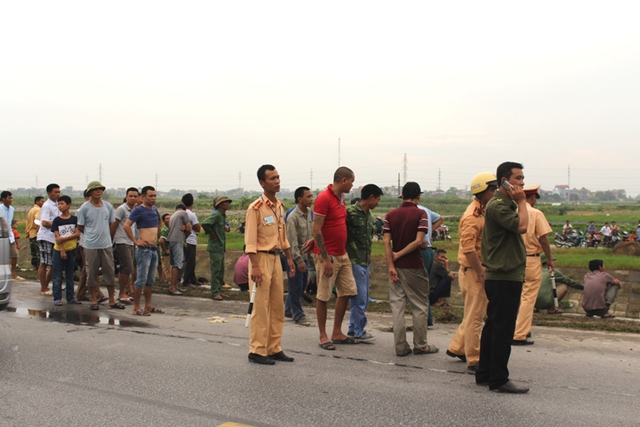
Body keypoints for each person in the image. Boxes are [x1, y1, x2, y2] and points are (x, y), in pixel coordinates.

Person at [475, 161, 529, 394]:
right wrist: (523, 201)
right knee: (503, 329)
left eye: (522, 178)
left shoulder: (500, 204)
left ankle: (485, 373)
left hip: (502, 275)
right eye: (517, 178)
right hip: (505, 276)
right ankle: (498, 378)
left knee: (493, 325)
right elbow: (523, 227)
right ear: (504, 181)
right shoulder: (499, 206)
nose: (522, 183)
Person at [244, 164, 296, 365]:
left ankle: (274, 347)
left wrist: (289, 258)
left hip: (276, 258)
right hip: (261, 259)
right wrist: (255, 266)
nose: (277, 181)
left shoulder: (279, 206)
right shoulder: (255, 208)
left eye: (278, 177)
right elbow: (250, 241)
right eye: (272, 178)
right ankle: (257, 350)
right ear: (262, 183)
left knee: (276, 306)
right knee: (260, 306)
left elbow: (283, 237)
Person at [447, 172, 497, 372]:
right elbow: (468, 249)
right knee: (476, 317)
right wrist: (482, 272)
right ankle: (474, 358)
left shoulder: (482, 211)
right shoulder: (472, 217)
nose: (494, 193)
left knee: (473, 313)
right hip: (474, 270)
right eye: (492, 190)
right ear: (482, 191)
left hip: (476, 269)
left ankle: (458, 347)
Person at [383, 181, 437, 357]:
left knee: (397, 306)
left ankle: (400, 347)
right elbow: (419, 241)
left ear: (402, 196)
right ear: (418, 196)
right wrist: (399, 255)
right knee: (419, 306)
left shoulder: (390, 215)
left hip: (395, 268)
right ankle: (421, 345)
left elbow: (386, 242)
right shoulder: (420, 214)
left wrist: (391, 264)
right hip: (414, 266)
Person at [311, 167, 360, 351]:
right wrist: (325, 259)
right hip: (328, 255)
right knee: (323, 295)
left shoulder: (341, 200)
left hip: (342, 253)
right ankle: (323, 335)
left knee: (346, 291)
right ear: (344, 180)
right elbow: (316, 228)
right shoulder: (323, 198)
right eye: (352, 181)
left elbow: (328, 226)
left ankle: (337, 332)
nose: (353, 185)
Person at [512, 184, 554, 346]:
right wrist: (549, 258)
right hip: (531, 259)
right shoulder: (536, 213)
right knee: (528, 298)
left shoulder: (513, 212)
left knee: (515, 296)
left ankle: (514, 328)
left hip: (515, 259)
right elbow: (543, 238)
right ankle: (520, 333)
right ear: (532, 197)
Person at [77, 181, 123, 311]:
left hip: (106, 244)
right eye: (96, 189)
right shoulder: (84, 208)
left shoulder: (108, 206)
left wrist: (107, 237)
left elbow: (111, 224)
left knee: (109, 271)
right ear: (90, 192)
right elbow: (80, 227)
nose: (99, 192)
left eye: (100, 189)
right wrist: (91, 236)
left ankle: (112, 300)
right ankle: (93, 299)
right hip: (90, 245)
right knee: (91, 272)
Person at [346, 184, 383, 341]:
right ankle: (359, 331)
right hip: (354, 260)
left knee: (363, 297)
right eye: (378, 199)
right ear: (371, 197)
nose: (378, 203)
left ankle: (353, 328)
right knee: (359, 298)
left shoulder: (370, 216)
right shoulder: (351, 213)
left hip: (365, 261)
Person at [124, 186, 163, 316]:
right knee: (141, 279)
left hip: (153, 248)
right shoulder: (138, 210)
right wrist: (136, 241)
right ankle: (136, 307)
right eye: (150, 196)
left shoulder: (155, 210)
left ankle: (148, 305)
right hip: (144, 250)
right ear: (143, 197)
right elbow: (126, 226)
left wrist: (158, 234)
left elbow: (159, 221)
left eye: (154, 196)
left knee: (150, 280)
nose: (153, 198)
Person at [285, 186, 314, 326]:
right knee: (296, 286)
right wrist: (298, 260)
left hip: (306, 256)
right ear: (300, 199)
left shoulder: (309, 213)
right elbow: (292, 242)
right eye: (308, 197)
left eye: (311, 196)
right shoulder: (292, 217)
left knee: (300, 285)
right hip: (295, 258)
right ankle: (298, 315)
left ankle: (288, 310)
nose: (311, 199)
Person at [50, 195, 81, 305]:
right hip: (59, 251)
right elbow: (57, 238)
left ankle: (70, 297)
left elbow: (77, 233)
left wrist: (65, 238)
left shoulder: (74, 219)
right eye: (58, 204)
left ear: (68, 205)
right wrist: (62, 249)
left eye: (62, 204)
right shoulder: (57, 221)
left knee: (70, 275)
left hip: (72, 250)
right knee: (57, 275)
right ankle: (57, 298)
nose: (60, 206)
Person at [110, 187, 138, 304]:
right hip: (121, 241)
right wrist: (111, 240)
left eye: (135, 196)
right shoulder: (122, 209)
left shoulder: (135, 210)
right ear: (126, 197)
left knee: (128, 268)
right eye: (130, 196)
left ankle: (125, 291)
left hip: (130, 241)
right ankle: (121, 293)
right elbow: (114, 224)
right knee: (126, 267)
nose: (132, 198)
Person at [201, 195, 231, 300]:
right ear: (220, 205)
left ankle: (218, 290)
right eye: (225, 202)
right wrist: (211, 233)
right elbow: (205, 223)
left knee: (221, 270)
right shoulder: (217, 214)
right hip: (215, 246)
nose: (228, 204)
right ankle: (215, 292)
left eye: (228, 202)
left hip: (220, 246)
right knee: (216, 270)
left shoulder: (222, 216)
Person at [37, 184, 61, 295]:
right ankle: (43, 287)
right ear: (49, 193)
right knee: (44, 262)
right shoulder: (47, 206)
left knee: (54, 263)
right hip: (46, 236)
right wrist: (58, 224)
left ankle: (45, 285)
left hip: (54, 237)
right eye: (55, 192)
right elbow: (45, 222)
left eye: (58, 192)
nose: (57, 194)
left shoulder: (58, 205)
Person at [166, 204, 191, 295]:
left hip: (171, 240)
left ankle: (174, 286)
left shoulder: (173, 215)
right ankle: (172, 287)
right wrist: (186, 235)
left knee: (174, 264)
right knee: (178, 264)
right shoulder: (184, 213)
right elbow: (188, 229)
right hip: (178, 240)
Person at [1, 191, 25, 281]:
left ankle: (13, 274)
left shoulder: (12, 209)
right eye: (9, 198)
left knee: (14, 255)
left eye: (11, 198)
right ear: (3, 199)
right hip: (1, 236)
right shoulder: (0, 209)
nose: (11, 200)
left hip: (10, 235)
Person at [181, 193, 201, 287]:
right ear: (192, 202)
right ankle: (186, 280)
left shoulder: (180, 213)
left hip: (183, 240)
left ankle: (193, 279)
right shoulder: (191, 214)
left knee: (187, 260)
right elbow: (197, 227)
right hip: (191, 240)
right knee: (190, 262)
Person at [25, 196, 44, 269]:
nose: (43, 203)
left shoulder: (31, 210)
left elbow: (28, 222)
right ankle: (40, 266)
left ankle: (34, 266)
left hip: (31, 233)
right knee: (38, 251)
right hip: (36, 233)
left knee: (33, 251)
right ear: (37, 202)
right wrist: (40, 229)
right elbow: (37, 221)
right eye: (42, 201)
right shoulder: (38, 210)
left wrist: (27, 231)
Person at [159, 213, 171, 283]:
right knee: (167, 268)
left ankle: (165, 280)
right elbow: (161, 240)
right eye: (167, 218)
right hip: (166, 254)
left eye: (170, 218)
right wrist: (165, 250)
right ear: (163, 221)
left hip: (169, 253)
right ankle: (169, 281)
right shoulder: (165, 230)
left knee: (167, 268)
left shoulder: (170, 229)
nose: (169, 220)